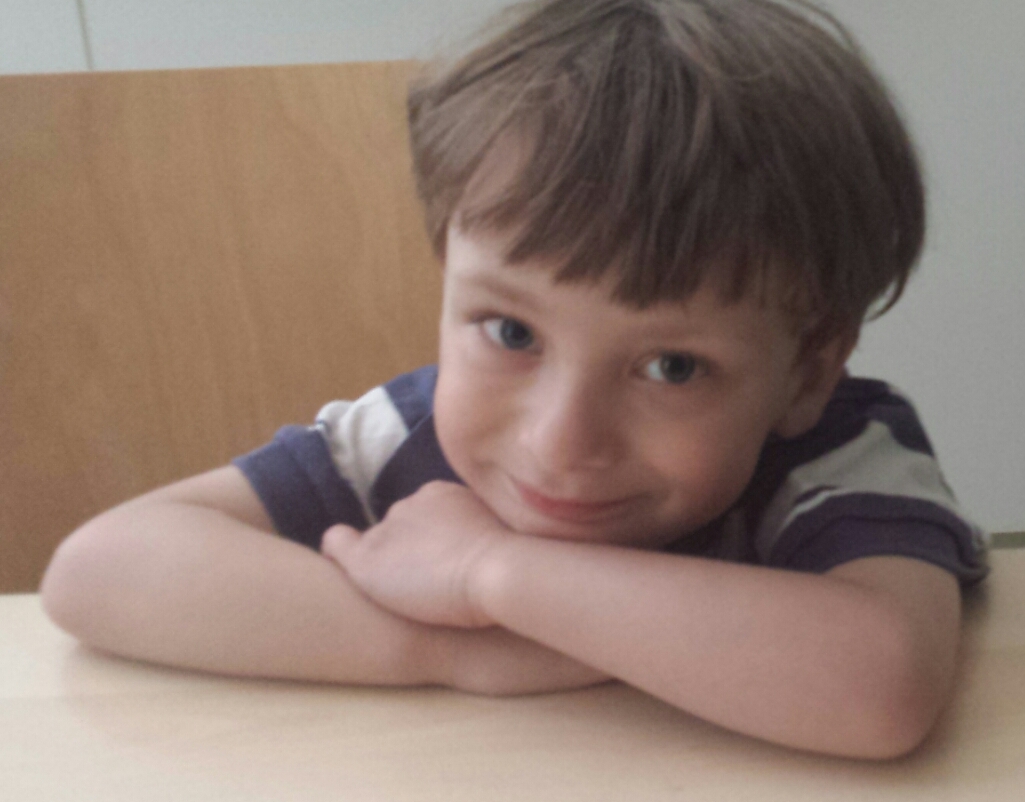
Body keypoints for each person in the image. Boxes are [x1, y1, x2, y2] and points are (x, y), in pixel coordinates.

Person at [41, 0, 989, 760]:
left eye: (672, 366)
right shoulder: (406, 433)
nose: (558, 439)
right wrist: (445, 648)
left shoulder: (839, 454)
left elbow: (879, 689)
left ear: (806, 370)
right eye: (510, 331)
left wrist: (488, 574)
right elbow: (100, 569)